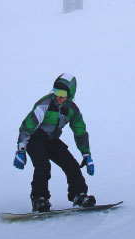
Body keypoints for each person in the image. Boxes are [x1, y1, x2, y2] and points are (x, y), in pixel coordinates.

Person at [13, 73, 95, 213]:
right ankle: (40, 199)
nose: (58, 96)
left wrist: (86, 154)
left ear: (70, 94)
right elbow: (28, 125)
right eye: (56, 92)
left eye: (62, 93)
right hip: (35, 138)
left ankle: (79, 195)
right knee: (43, 165)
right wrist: (21, 148)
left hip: (52, 140)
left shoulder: (72, 110)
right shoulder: (45, 104)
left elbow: (80, 131)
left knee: (71, 164)